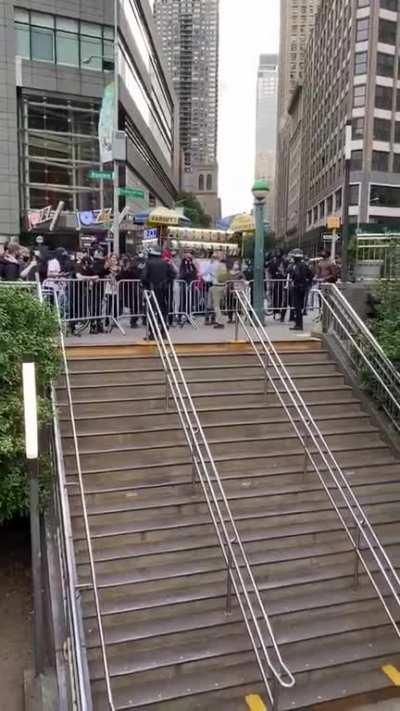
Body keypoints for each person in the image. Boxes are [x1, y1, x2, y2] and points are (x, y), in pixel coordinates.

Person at [142, 248, 176, 339]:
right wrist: (166, 282)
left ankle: (153, 333)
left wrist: (147, 284)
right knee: (163, 311)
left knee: (152, 311)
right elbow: (173, 274)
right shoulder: (165, 263)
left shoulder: (148, 263)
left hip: (152, 290)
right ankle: (164, 331)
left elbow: (144, 277)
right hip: (163, 291)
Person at [288, 249, 313, 332]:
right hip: (301, 287)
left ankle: (299, 325)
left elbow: (299, 276)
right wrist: (307, 283)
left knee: (297, 306)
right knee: (298, 306)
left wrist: (301, 283)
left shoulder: (298, 266)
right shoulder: (303, 265)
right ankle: (298, 324)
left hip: (298, 288)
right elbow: (310, 275)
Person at [210, 256, 229, 329]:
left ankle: (219, 321)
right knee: (219, 305)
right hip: (222, 286)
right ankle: (218, 320)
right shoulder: (224, 267)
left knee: (216, 305)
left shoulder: (216, 266)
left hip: (216, 286)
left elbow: (213, 275)